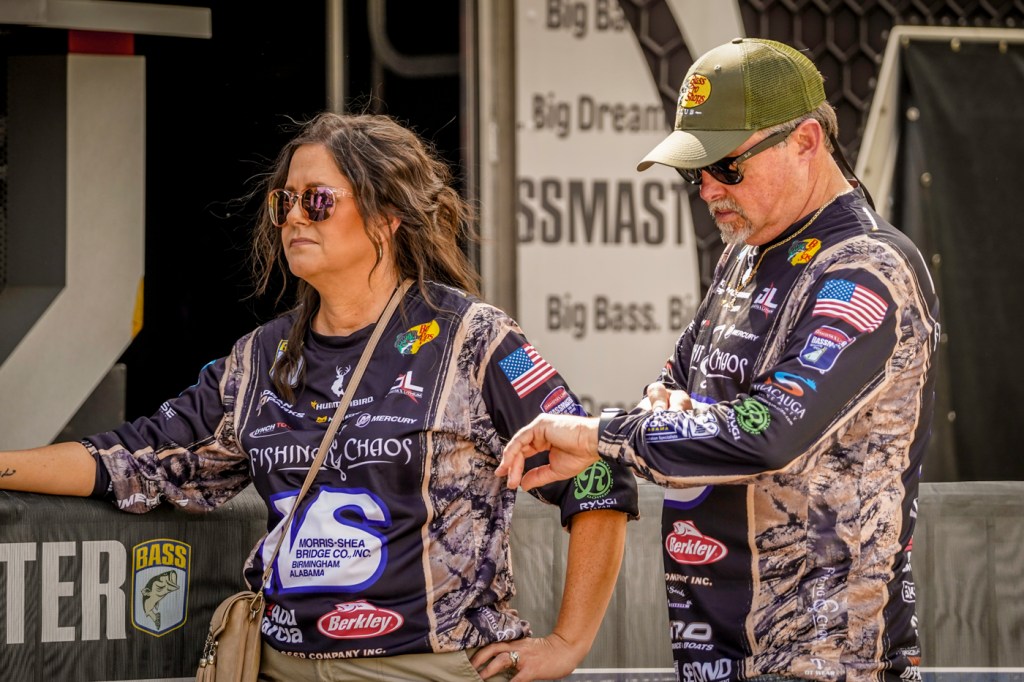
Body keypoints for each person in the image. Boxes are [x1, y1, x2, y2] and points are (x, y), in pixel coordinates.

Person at [0, 112, 638, 681]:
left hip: (426, 667)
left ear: (386, 216)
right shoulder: (259, 358)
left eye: (319, 200)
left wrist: (568, 643)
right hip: (283, 665)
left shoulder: (476, 340)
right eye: (284, 202)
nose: (294, 218)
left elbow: (599, 474)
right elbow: (131, 457)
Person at [495, 38, 939, 682]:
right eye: (693, 171)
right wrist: (662, 415)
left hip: (825, 662)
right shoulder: (746, 252)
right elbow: (672, 385)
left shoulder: (868, 267)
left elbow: (769, 434)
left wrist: (599, 436)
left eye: (726, 166)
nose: (706, 189)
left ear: (806, 141)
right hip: (716, 654)